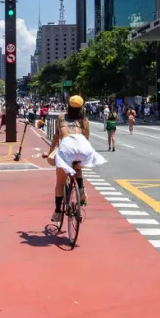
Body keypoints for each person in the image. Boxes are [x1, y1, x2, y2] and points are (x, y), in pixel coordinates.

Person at [46, 95, 107, 223]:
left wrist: (50, 153)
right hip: (83, 148)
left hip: (67, 148)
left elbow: (57, 137)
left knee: (60, 182)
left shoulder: (61, 117)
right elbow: (85, 139)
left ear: (68, 105)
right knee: (77, 162)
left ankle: (58, 212)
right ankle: (81, 188)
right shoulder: (84, 121)